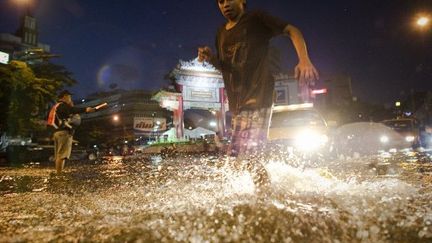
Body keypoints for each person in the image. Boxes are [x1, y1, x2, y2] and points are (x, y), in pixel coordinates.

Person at [200, 0, 319, 184]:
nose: (225, 4)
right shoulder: (220, 33)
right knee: (234, 160)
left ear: (242, 1)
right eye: (220, 1)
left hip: (260, 96)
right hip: (238, 105)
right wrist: (211, 59)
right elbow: (228, 67)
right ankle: (256, 193)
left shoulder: (256, 19)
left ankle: (264, 198)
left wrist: (304, 60)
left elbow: (292, 30)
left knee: (251, 157)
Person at [49, 90, 95, 175]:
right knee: (61, 155)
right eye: (69, 97)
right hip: (63, 133)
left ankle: (59, 173)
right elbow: (72, 110)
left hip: (57, 132)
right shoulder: (63, 105)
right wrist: (86, 109)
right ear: (65, 96)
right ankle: (59, 175)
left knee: (59, 155)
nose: (70, 99)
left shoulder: (56, 106)